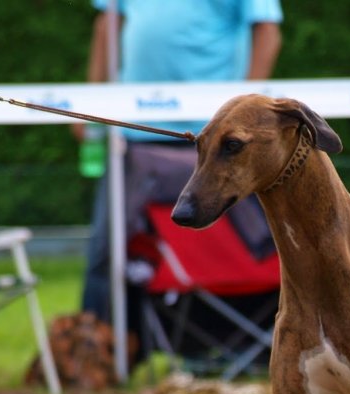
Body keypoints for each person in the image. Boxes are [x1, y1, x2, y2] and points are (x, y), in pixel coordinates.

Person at [79, 0, 283, 323]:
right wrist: (90, 106)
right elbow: (107, 24)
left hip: (213, 139)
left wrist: (247, 114)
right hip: (134, 135)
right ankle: (94, 344)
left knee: (234, 250)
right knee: (108, 251)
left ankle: (254, 339)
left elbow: (268, 31)